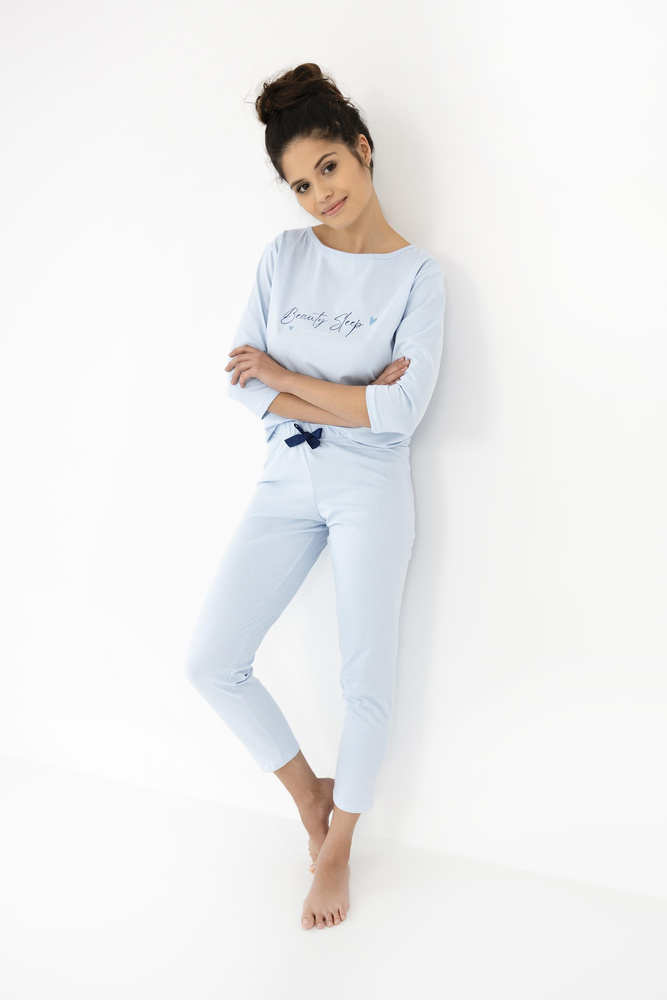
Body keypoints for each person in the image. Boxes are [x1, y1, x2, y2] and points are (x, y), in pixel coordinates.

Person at [184, 62, 447, 932]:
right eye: (300, 184)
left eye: (327, 167)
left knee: (364, 675)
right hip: (285, 474)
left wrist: (288, 376)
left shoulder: (418, 276)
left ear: (361, 150)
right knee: (212, 660)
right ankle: (309, 796)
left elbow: (400, 414)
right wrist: (352, 395)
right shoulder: (283, 257)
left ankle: (338, 849)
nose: (319, 194)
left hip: (370, 484)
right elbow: (241, 386)